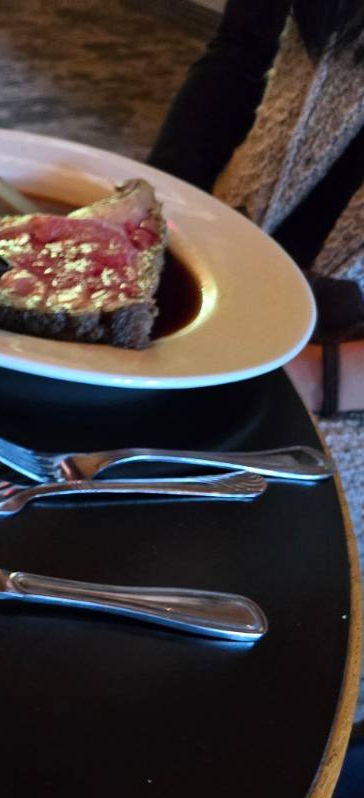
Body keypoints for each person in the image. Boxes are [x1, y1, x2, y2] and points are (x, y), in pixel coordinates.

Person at [148, 0, 364, 546]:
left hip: (339, 391)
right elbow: (239, 51)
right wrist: (147, 220)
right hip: (229, 261)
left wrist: (310, 379)